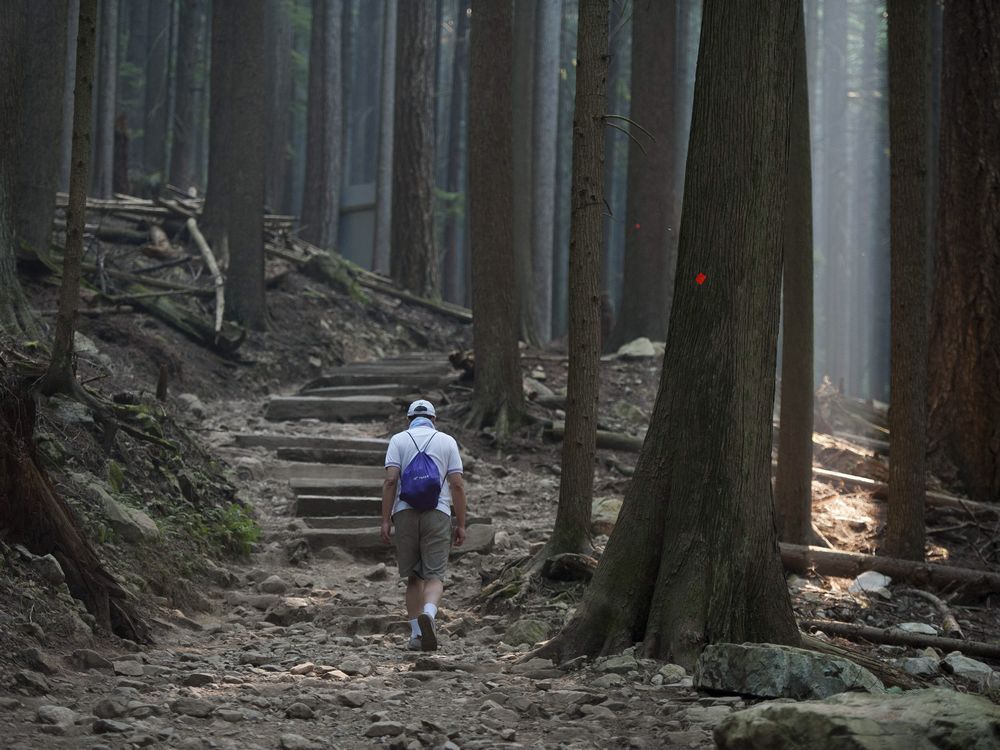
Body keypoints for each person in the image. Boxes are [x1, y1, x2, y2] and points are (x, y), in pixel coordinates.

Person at [380, 399, 467, 651]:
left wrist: (385, 519)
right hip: (437, 513)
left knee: (413, 578)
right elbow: (457, 484)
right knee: (435, 575)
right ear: (434, 419)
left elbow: (390, 481)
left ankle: (417, 635)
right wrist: (460, 523)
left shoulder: (398, 440)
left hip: (405, 513)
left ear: (409, 419)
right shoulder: (447, 441)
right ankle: (429, 614)